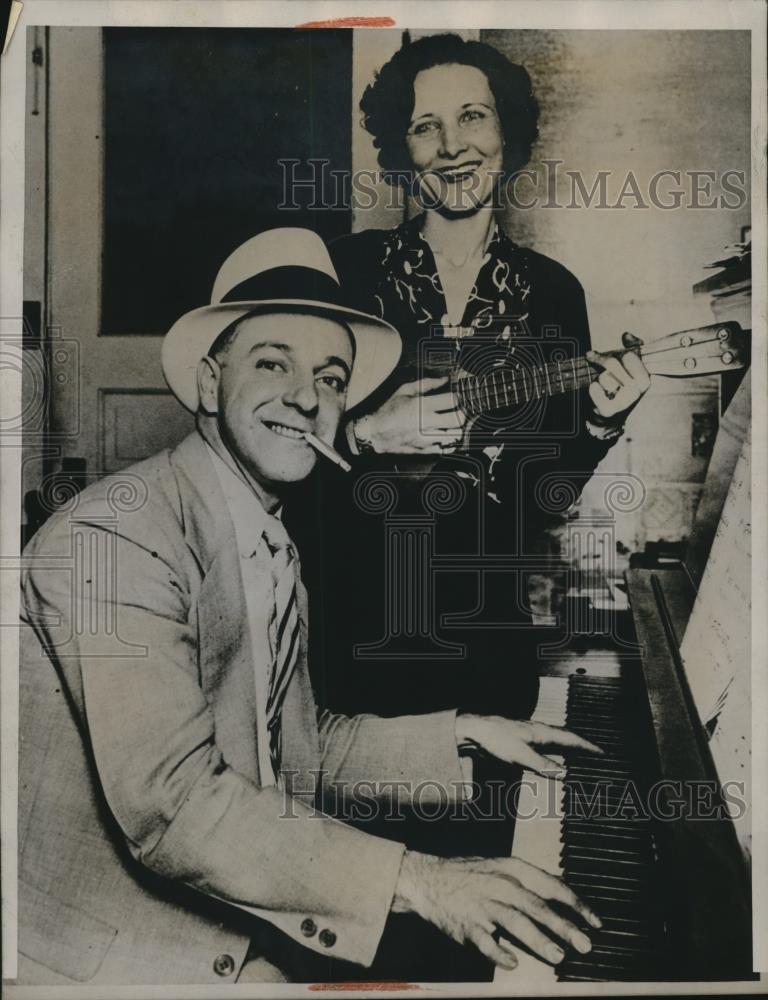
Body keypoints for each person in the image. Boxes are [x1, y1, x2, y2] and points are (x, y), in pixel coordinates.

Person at [18, 227, 603, 986]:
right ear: (205, 382)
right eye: (272, 364)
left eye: (332, 378)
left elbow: (302, 749)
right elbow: (179, 808)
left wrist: (466, 733)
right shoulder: (118, 535)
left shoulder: (266, 533)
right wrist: (423, 881)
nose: (307, 396)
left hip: (236, 922)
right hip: (111, 961)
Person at [289, 31, 651, 722]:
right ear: (404, 152)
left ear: (506, 135)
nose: (453, 145)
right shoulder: (344, 273)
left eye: (473, 116)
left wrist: (599, 424)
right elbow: (279, 453)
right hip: (344, 635)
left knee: (484, 823)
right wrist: (364, 433)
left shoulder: (553, 294)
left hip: (487, 641)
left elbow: (537, 503)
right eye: (427, 126)